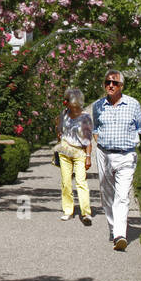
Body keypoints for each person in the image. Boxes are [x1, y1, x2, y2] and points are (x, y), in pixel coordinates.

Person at [91, 69, 141, 251]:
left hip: (126, 155)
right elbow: (95, 127)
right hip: (104, 154)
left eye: (114, 83)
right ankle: (114, 228)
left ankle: (120, 234)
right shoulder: (98, 106)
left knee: (122, 196)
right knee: (107, 195)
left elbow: (140, 127)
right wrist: (100, 142)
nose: (110, 85)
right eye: (108, 82)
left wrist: (131, 142)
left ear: (121, 85)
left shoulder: (133, 104)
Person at [55, 88, 94, 225]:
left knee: (81, 182)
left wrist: (88, 156)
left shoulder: (85, 117)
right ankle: (68, 210)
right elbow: (58, 129)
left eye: (70, 102)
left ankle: (86, 213)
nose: (67, 104)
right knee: (66, 182)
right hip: (65, 152)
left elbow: (88, 139)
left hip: (79, 152)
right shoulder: (63, 114)